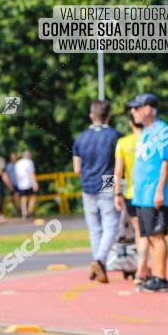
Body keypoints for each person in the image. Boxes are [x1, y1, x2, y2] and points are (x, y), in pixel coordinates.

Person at [128, 93, 168, 293]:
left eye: (136, 108)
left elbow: (166, 162)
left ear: (147, 109)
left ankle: (161, 278)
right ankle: (155, 276)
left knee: (156, 236)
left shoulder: (162, 130)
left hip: (153, 194)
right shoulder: (146, 132)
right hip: (142, 195)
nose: (132, 112)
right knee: (150, 236)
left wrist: (160, 190)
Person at [73, 100, 121, 283]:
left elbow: (76, 168)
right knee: (111, 224)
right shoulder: (115, 136)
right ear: (109, 115)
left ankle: (98, 261)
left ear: (91, 115)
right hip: (107, 179)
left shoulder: (80, 138)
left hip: (87, 182)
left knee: (94, 227)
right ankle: (100, 260)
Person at [114, 114, 148, 284]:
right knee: (149, 233)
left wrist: (117, 194)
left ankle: (141, 269)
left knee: (139, 232)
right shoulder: (151, 140)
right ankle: (144, 268)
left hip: (131, 193)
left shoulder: (123, 142)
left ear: (130, 123)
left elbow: (118, 172)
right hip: (149, 192)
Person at [14, 150, 38, 219]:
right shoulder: (29, 162)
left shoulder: (18, 163)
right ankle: (30, 211)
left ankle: (24, 214)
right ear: (28, 156)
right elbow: (32, 173)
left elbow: (17, 176)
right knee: (34, 196)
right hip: (29, 183)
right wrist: (35, 183)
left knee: (23, 198)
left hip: (21, 184)